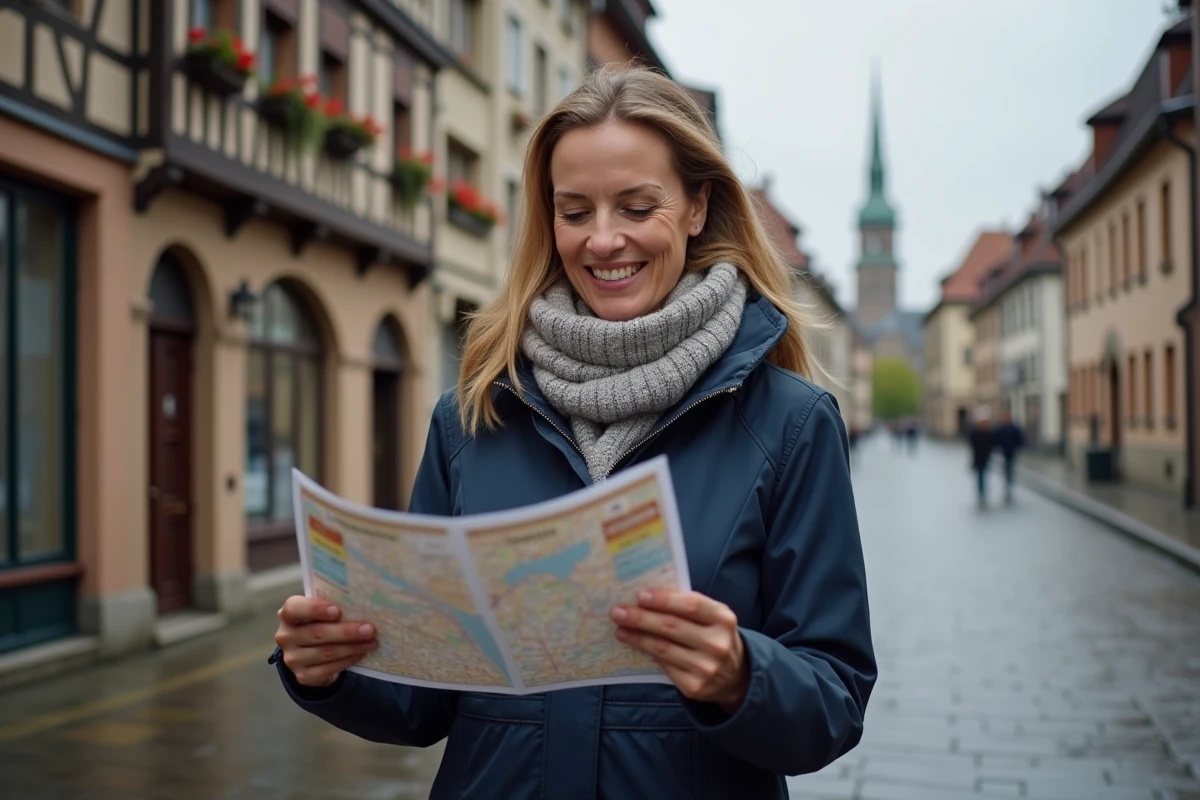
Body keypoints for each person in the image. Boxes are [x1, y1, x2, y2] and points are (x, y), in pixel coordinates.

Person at [270, 66, 876, 800]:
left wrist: (741, 675)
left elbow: (834, 701)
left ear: (696, 206)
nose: (604, 239)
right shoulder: (472, 415)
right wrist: (329, 669)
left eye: (636, 205)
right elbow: (419, 704)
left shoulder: (789, 423)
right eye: (575, 210)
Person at [968, 406, 996, 508]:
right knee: (981, 476)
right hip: (980, 458)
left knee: (982, 476)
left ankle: (982, 492)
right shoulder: (978, 433)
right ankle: (981, 492)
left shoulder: (985, 433)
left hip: (983, 457)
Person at [993, 411, 1025, 504]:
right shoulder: (1001, 429)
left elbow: (1019, 439)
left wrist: (1017, 447)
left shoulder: (1014, 429)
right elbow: (996, 439)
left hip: (1012, 453)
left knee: (1010, 471)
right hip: (1003, 453)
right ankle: (1007, 488)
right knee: (1006, 471)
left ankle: (1009, 488)